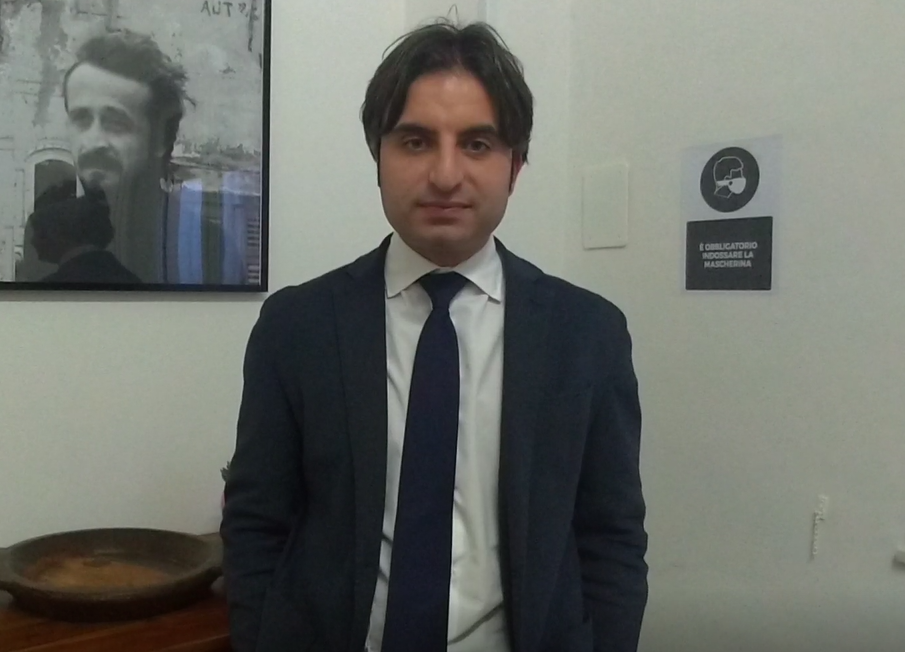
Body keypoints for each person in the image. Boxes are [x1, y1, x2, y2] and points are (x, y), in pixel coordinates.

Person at [220, 20, 648, 652]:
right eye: (416, 141)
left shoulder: (588, 334)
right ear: (379, 156)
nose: (446, 175)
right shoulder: (296, 327)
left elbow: (611, 537)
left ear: (515, 166)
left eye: (477, 144)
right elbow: (257, 521)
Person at [61, 29, 190, 283]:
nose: (94, 142)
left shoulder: (200, 242)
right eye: (81, 119)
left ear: (160, 139)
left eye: (116, 123)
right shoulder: (51, 235)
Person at [27, 192, 140, 284]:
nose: (33, 241)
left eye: (39, 232)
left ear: (58, 233)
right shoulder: (130, 281)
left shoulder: (50, 290)